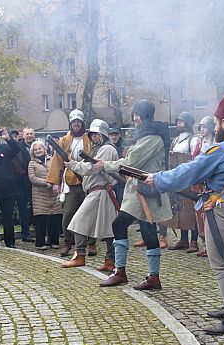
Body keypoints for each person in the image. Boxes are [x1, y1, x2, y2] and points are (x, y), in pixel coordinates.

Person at [146, 92, 224, 335]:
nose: (215, 127)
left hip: (219, 210)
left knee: (220, 264)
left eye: (216, 123)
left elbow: (190, 171)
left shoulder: (220, 150)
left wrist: (159, 179)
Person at [92, 99, 172, 290]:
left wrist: (105, 165)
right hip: (139, 191)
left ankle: (125, 273)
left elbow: (131, 162)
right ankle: (145, 276)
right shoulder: (147, 135)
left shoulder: (152, 138)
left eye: (137, 114)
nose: (135, 118)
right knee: (146, 232)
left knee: (126, 226)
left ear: (144, 115)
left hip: (147, 191)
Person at [62, 119, 119, 270]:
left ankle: (80, 256)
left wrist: (72, 164)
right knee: (108, 228)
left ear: (103, 134)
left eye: (97, 134)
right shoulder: (100, 149)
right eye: (92, 134)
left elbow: (92, 168)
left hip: (101, 190)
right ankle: (109, 260)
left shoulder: (107, 149)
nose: (94, 137)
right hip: (98, 191)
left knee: (79, 221)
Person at [46, 109, 92, 257]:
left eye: (78, 122)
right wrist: (55, 182)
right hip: (71, 182)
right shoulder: (64, 140)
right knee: (67, 213)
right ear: (71, 124)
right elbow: (57, 160)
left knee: (89, 214)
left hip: (87, 180)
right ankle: (67, 242)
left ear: (82, 123)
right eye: (74, 123)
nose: (76, 125)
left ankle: (91, 243)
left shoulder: (89, 139)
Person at [162, 111, 201, 252]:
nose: (178, 123)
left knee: (191, 210)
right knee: (180, 210)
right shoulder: (175, 140)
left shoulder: (194, 140)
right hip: (178, 179)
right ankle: (183, 239)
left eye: (182, 121)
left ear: (188, 123)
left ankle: (194, 241)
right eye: (178, 121)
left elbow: (195, 159)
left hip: (189, 179)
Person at [28, 141, 62, 251]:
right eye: (36, 150)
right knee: (41, 220)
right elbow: (32, 178)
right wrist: (47, 182)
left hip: (53, 193)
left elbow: (57, 172)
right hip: (40, 195)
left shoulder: (52, 160)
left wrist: (55, 182)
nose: (38, 151)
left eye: (40, 148)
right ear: (33, 152)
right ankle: (40, 243)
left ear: (44, 149)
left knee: (54, 219)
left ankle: (54, 241)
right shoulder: (32, 163)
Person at [192, 115, 216, 257]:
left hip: (212, 184)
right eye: (200, 126)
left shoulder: (217, 142)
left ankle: (213, 247)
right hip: (201, 183)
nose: (202, 129)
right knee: (201, 215)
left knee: (211, 215)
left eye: (205, 126)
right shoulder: (200, 143)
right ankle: (205, 246)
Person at [13, 127, 36, 243]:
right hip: (21, 182)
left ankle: (38, 230)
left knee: (36, 207)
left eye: (31, 133)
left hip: (36, 182)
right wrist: (25, 174)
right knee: (23, 209)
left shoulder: (38, 145)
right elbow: (15, 162)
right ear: (23, 135)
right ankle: (25, 233)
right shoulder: (18, 147)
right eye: (27, 134)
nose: (29, 136)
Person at [108, 127, 126, 204]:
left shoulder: (124, 149)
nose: (114, 137)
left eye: (116, 135)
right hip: (109, 180)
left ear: (119, 136)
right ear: (108, 136)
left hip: (121, 180)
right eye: (112, 135)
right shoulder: (106, 148)